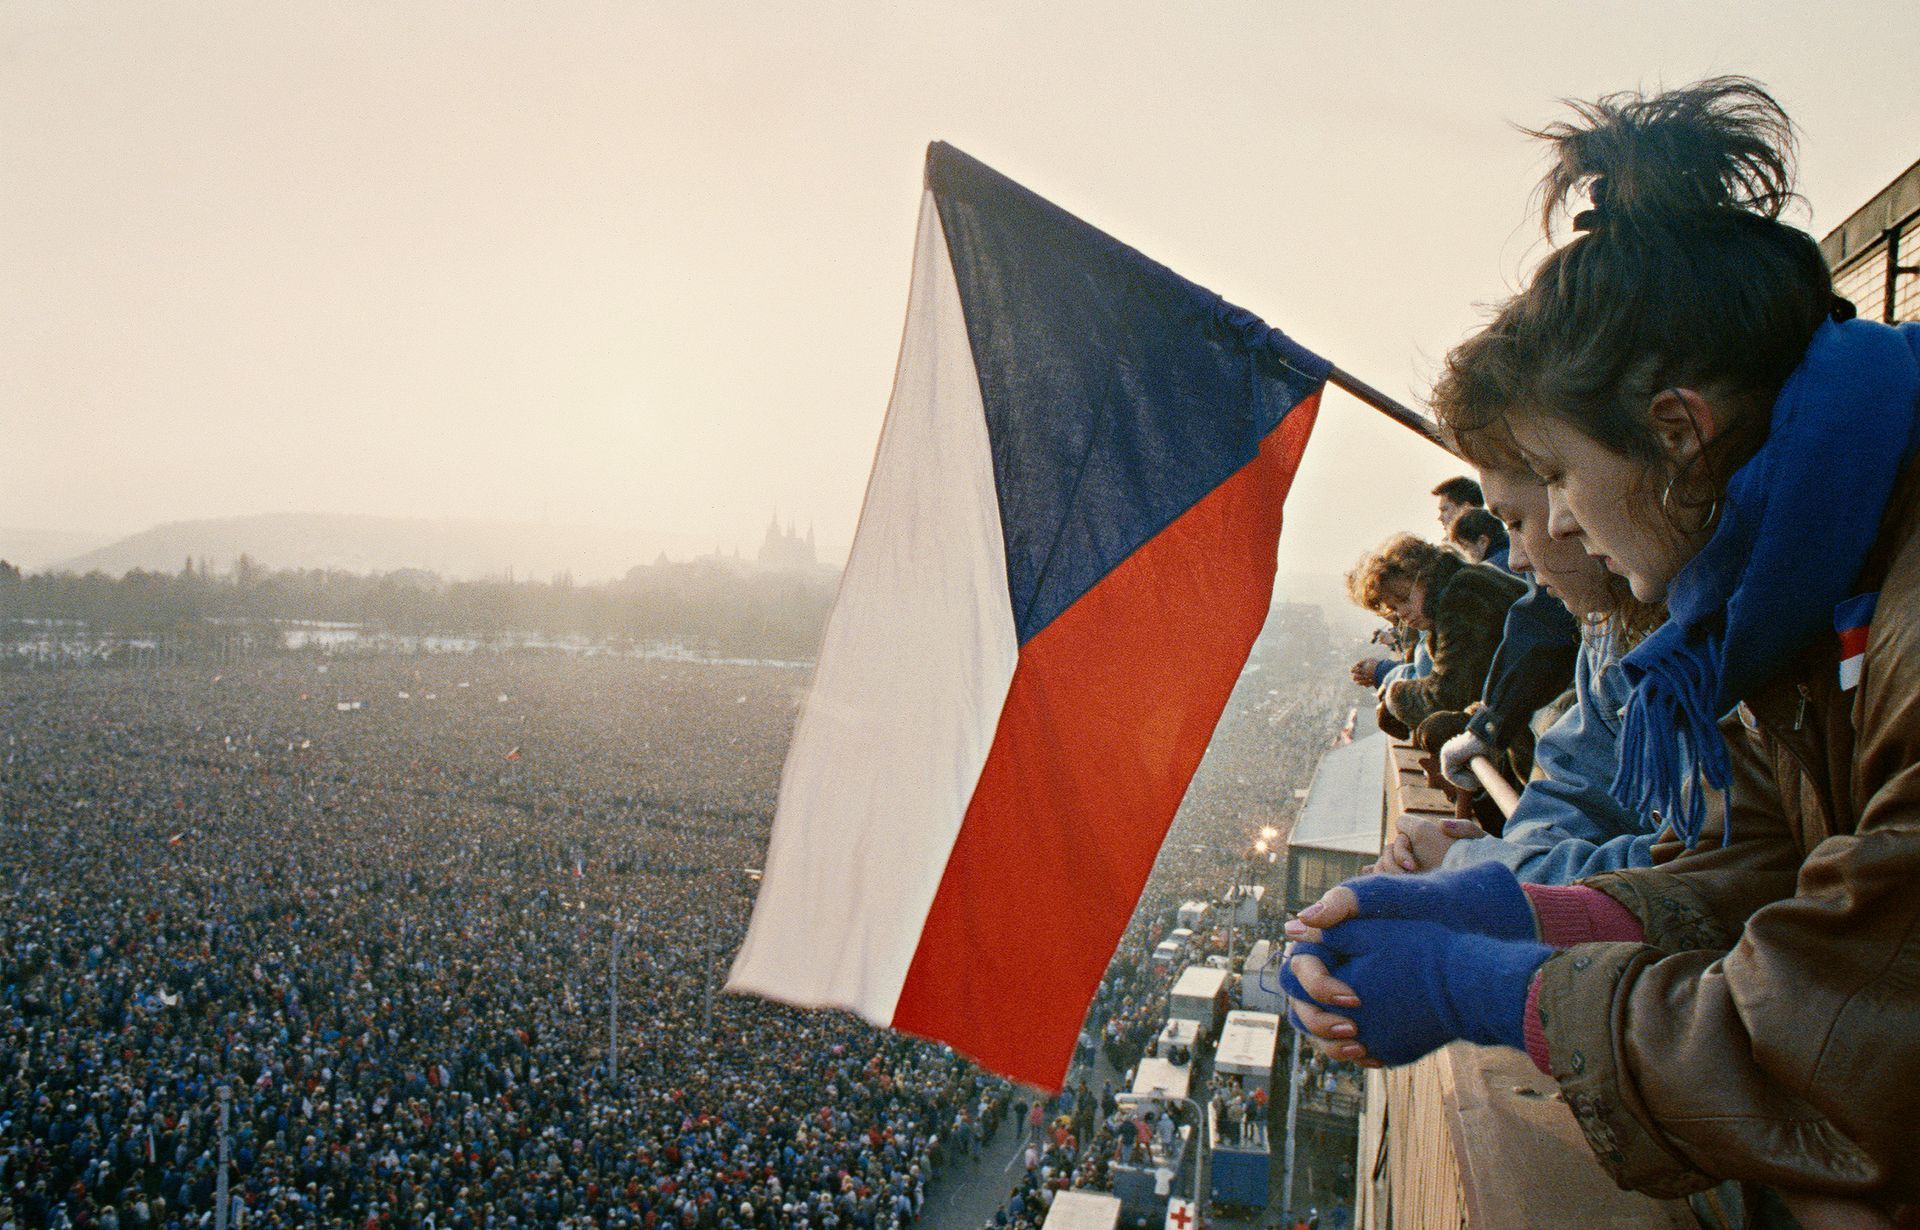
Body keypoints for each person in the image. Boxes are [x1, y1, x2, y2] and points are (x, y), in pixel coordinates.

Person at [1284, 78, 1920, 1219]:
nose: (1558, 533)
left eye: (1566, 477)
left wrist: (1506, 992)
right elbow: (1768, 878)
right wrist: (1523, 917)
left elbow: (1845, 1048)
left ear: (1679, 433)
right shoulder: (1807, 601)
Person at [1345, 533, 1524, 738]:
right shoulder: (1460, 587)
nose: (1401, 614)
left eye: (1404, 599)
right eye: (1394, 608)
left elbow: (1445, 696)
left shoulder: (1464, 596)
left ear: (1425, 575)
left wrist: (1394, 697)